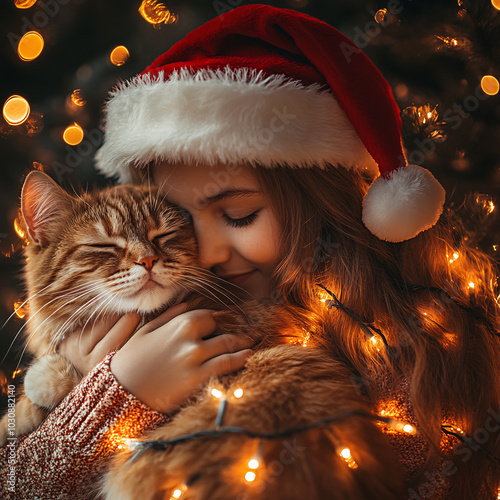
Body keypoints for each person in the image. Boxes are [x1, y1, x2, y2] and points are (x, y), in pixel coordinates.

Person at [1, 4, 499, 499]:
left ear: (323, 206)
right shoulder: (161, 316)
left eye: (238, 215)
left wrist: (117, 400)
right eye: (181, 223)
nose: (208, 252)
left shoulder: (406, 350)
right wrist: (108, 389)